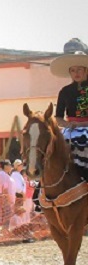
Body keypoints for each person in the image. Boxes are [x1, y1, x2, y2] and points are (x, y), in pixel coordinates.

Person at [51, 51, 88, 180]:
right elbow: (58, 117)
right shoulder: (65, 91)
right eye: (73, 70)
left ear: (86, 70)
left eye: (79, 69)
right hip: (70, 129)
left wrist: (82, 124)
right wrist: (68, 124)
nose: (76, 73)